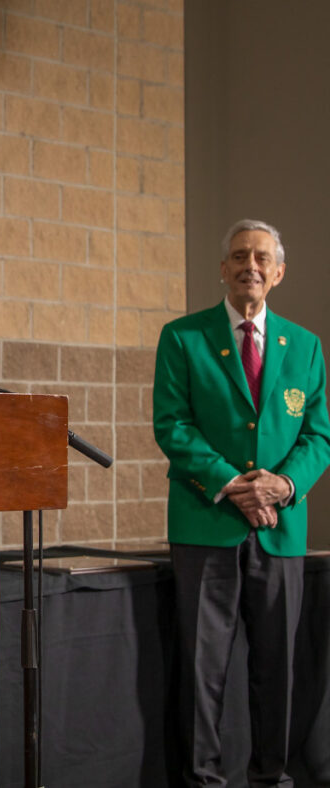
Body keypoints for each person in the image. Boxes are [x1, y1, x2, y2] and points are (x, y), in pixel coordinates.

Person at [153, 219, 330, 785]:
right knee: (202, 670)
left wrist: (284, 485)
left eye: (260, 258)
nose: (249, 265)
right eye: (238, 256)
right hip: (205, 525)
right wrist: (234, 484)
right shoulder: (183, 338)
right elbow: (172, 425)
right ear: (222, 269)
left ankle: (272, 777)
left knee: (277, 670)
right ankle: (203, 780)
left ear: (278, 273)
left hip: (280, 528)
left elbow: (318, 435)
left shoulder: (305, 346)